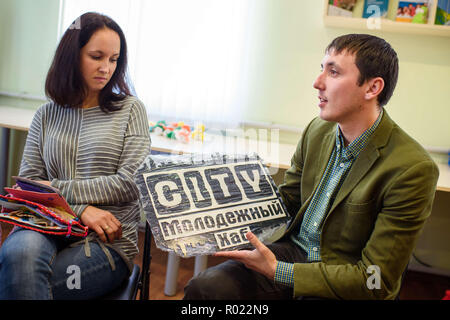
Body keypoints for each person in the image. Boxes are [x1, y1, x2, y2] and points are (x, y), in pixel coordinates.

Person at [183, 34, 439, 300]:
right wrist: (216, 216)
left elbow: (377, 279)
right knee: (206, 289)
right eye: (322, 69)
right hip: (294, 252)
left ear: (372, 88)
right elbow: (288, 200)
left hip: (346, 272)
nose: (317, 83)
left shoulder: (412, 168)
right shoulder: (317, 130)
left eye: (334, 72)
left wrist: (278, 272)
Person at [0, 12, 151, 299]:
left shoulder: (131, 110)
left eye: (114, 59)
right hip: (45, 223)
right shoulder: (46, 114)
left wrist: (57, 189)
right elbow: (29, 185)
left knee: (23, 284)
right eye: (97, 56)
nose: (106, 68)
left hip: (107, 241)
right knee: (19, 263)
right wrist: (81, 209)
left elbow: (131, 182)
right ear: (73, 55)